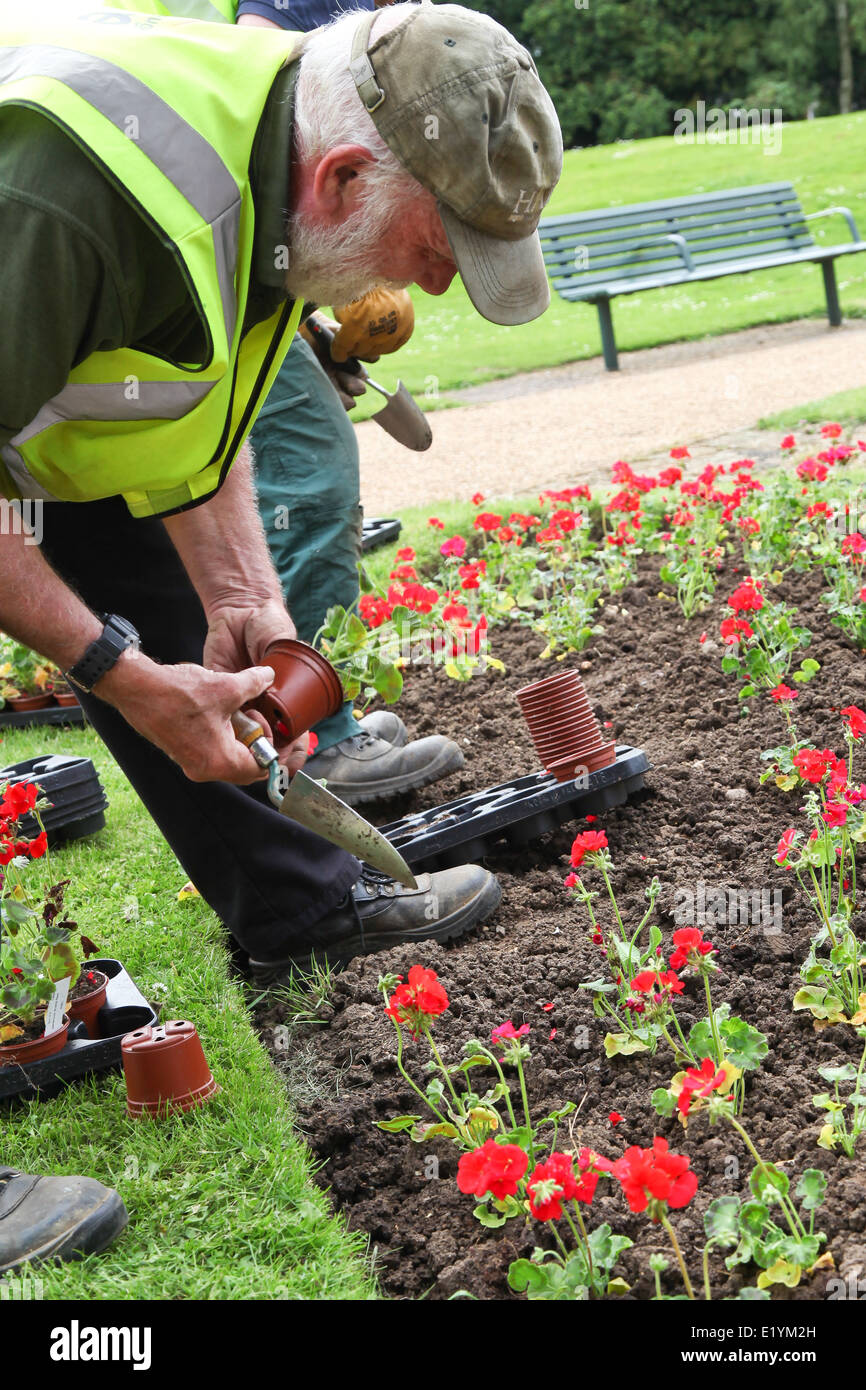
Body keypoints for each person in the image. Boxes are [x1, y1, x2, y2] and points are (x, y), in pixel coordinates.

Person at [0, 0, 562, 1270]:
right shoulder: (76, 189)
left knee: (158, 586)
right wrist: (122, 676)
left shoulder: (274, 160)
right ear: (349, 176)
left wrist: (241, 589)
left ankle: (298, 902)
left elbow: (189, 410)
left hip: (25, 369)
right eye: (435, 247)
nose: (428, 287)